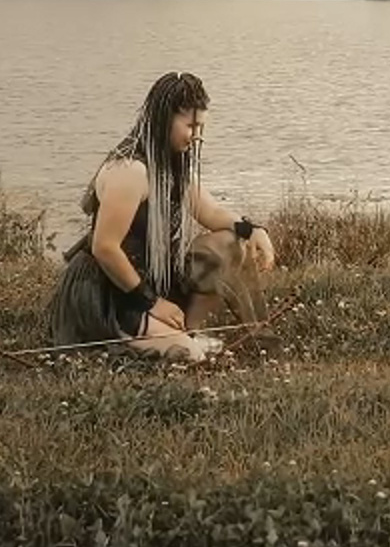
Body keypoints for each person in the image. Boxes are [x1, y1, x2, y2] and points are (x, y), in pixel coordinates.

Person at [44, 71, 276, 361]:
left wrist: (254, 230)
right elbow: (104, 248)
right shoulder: (129, 170)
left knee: (228, 244)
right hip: (109, 293)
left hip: (151, 279)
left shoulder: (173, 164)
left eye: (201, 126)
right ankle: (163, 338)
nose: (197, 136)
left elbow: (211, 212)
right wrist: (152, 303)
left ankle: (190, 331)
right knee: (189, 356)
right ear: (164, 119)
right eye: (191, 126)